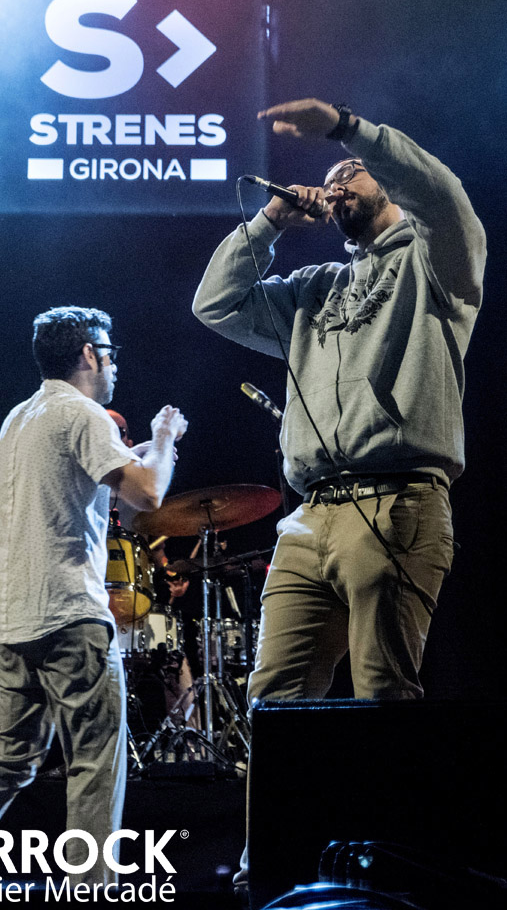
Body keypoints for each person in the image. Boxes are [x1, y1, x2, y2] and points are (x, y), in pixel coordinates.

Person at [193, 98, 485, 891]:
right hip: (309, 515)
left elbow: (441, 196)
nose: (336, 181)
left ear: (387, 183)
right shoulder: (310, 290)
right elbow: (214, 304)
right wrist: (269, 224)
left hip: (396, 501)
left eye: (352, 173)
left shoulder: (436, 263)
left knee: (382, 694)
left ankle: (384, 877)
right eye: (329, 176)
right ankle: (270, 872)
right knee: (273, 700)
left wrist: (348, 131)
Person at [0, 306, 187, 888]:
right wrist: (165, 438)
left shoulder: (21, 416)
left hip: (15, 614)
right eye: (111, 353)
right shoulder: (83, 413)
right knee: (95, 761)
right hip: (70, 614)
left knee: (12, 759)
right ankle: (92, 892)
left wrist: (145, 448)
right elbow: (147, 495)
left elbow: (105, 479)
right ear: (90, 353)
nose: (115, 365)